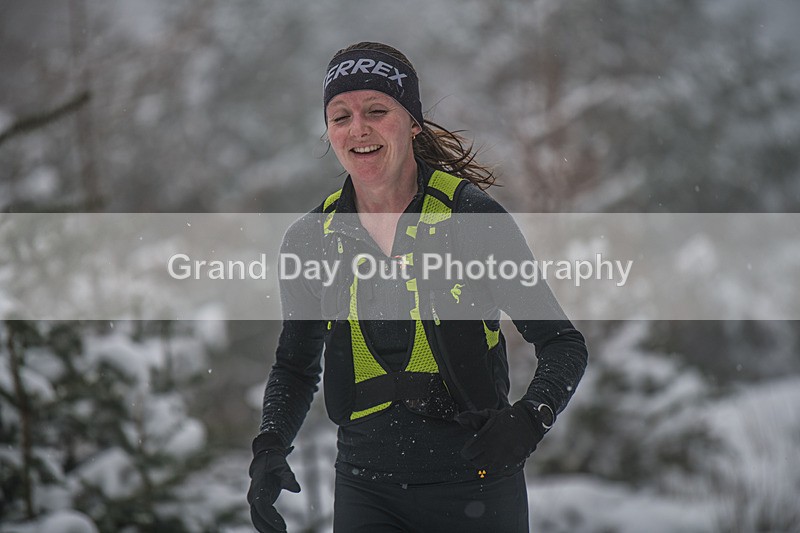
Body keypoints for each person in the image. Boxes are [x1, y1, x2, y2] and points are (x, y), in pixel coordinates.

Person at [247, 41, 588, 533]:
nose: (357, 128)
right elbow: (295, 366)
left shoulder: (470, 218)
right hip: (366, 490)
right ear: (328, 131)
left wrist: (530, 420)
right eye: (340, 116)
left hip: (477, 487)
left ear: (413, 122)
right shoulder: (310, 239)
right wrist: (270, 448)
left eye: (377, 110)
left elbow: (562, 343)